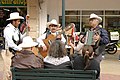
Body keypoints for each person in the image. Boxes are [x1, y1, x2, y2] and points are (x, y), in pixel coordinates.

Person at [1, 12, 26, 80]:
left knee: (13, 70)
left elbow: (21, 38)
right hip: (8, 52)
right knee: (7, 71)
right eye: (18, 21)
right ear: (13, 21)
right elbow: (10, 44)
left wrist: (27, 31)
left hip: (14, 52)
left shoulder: (16, 29)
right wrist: (20, 49)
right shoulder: (8, 29)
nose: (19, 23)